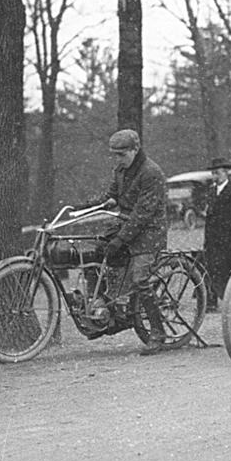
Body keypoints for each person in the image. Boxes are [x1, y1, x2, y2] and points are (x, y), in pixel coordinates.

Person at [88, 129, 169, 356]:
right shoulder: (122, 169)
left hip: (150, 232)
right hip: (125, 226)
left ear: (135, 149)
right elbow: (111, 197)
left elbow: (143, 214)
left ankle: (157, 333)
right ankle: (110, 312)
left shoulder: (151, 173)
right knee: (95, 254)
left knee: (140, 279)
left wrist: (121, 239)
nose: (118, 159)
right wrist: (84, 207)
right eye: (114, 155)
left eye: (122, 154)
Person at [202, 157, 231, 310]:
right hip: (214, 240)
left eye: (218, 173)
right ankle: (216, 301)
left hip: (230, 240)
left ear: (226, 173)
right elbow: (209, 218)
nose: (215, 176)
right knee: (214, 270)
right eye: (213, 173)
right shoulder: (211, 191)